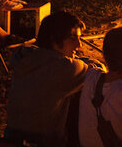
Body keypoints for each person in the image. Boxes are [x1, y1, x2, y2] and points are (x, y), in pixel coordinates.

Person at [5, 11, 89, 147]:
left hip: (11, 137)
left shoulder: (24, 57)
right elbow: (98, 72)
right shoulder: (65, 68)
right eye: (73, 38)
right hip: (45, 141)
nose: (79, 45)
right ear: (54, 39)